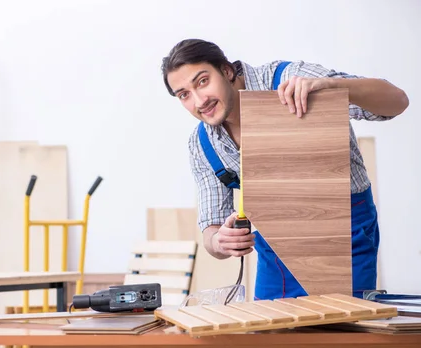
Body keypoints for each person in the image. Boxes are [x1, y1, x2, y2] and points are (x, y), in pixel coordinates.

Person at [160, 39, 409, 300]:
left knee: (340, 335)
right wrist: (220, 241)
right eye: (184, 94)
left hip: (345, 236)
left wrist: (332, 87)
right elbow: (211, 230)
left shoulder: (289, 79)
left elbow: (397, 102)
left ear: (226, 71)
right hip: (278, 251)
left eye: (202, 81)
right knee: (270, 338)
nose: (200, 100)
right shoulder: (203, 145)